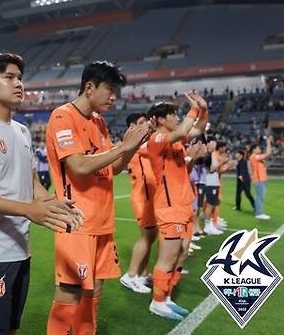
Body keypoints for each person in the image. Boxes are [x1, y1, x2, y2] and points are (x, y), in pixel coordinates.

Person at [0, 52, 83, 335]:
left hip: (19, 248)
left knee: (11, 328)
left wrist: (52, 204)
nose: (19, 84)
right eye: (9, 77)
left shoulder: (22, 131)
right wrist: (27, 210)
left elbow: (30, 181)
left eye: (20, 78)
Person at [45, 61, 152, 335]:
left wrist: (131, 148)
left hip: (102, 221)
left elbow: (112, 168)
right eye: (110, 89)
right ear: (89, 87)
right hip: (77, 221)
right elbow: (79, 167)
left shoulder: (99, 121)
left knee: (95, 288)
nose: (114, 96)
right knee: (70, 292)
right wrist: (123, 147)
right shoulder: (62, 116)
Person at [145, 94, 208, 321]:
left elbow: (198, 129)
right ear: (161, 119)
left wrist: (203, 109)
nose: (176, 116)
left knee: (181, 255)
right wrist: (192, 111)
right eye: (172, 114)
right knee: (167, 258)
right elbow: (183, 130)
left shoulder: (176, 142)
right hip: (169, 207)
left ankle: (167, 297)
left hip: (183, 204)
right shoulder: (158, 138)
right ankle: (157, 302)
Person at [119, 113, 157, 294]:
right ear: (132, 127)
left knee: (150, 238)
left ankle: (142, 273)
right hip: (143, 197)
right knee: (146, 237)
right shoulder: (136, 145)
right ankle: (131, 275)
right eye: (142, 123)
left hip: (150, 196)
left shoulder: (143, 144)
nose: (147, 125)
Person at [250, 135, 273, 220]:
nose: (259, 149)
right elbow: (268, 154)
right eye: (258, 148)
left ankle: (258, 211)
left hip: (261, 180)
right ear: (254, 150)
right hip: (258, 180)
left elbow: (268, 155)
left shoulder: (256, 157)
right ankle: (259, 213)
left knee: (260, 196)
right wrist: (268, 143)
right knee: (260, 197)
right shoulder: (254, 156)